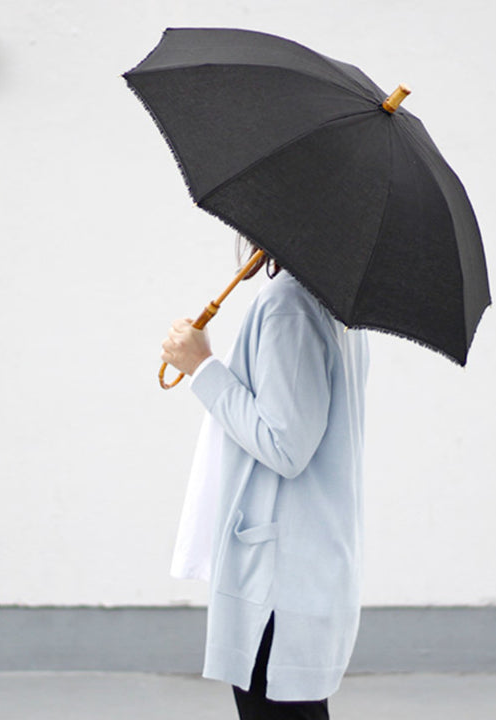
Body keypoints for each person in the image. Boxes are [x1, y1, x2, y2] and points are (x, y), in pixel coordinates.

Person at [161, 246, 369, 720]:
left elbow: (285, 445)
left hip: (277, 576)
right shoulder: (329, 307)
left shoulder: (289, 304)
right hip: (301, 563)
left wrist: (202, 368)